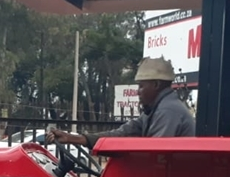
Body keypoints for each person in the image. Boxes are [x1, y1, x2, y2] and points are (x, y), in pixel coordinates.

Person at [46, 57, 195, 149]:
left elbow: (154, 156)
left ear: (156, 85)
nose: (138, 91)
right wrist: (75, 138)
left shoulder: (167, 111)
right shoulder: (157, 110)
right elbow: (123, 133)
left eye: (142, 86)